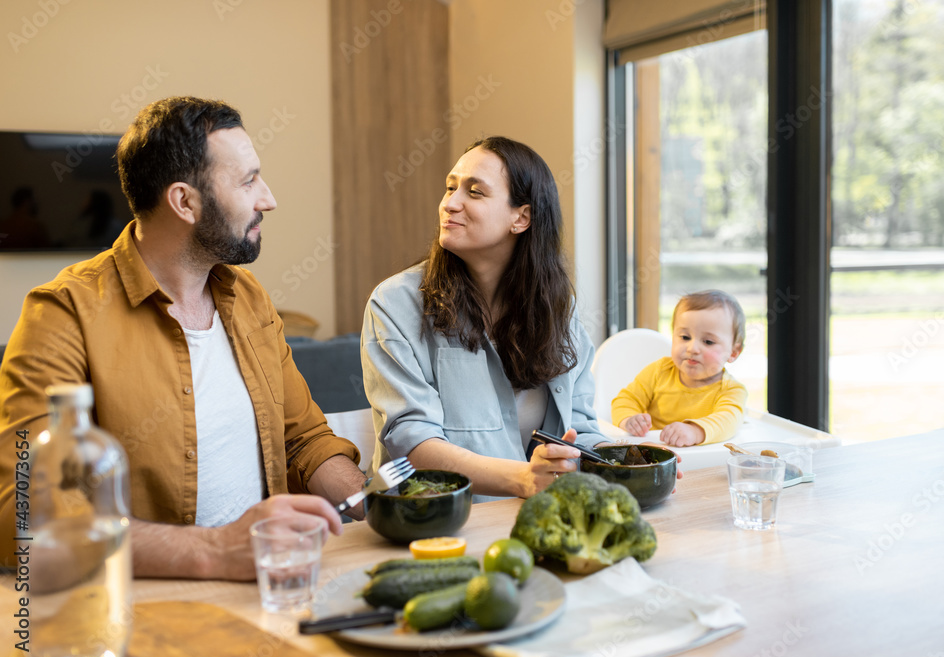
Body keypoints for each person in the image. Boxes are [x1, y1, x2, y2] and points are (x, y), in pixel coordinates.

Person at [0, 97, 367, 579]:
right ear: (184, 201)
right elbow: (23, 515)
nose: (268, 199)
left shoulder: (248, 296)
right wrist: (215, 550)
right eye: (248, 181)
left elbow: (303, 440)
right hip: (145, 609)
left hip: (271, 589)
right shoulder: (63, 314)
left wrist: (376, 503)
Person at [361, 136, 679, 501]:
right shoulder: (395, 304)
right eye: (450, 188)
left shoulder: (559, 310)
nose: (450, 203)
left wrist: (627, 464)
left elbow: (578, 428)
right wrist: (525, 478)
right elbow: (413, 444)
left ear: (521, 217)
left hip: (530, 518)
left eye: (474, 192)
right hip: (431, 522)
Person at [612, 290, 748, 447]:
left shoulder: (732, 390)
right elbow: (626, 399)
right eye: (685, 337)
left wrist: (694, 431)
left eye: (708, 342)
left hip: (702, 461)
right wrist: (629, 419)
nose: (692, 348)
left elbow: (729, 420)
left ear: (733, 352)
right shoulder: (659, 371)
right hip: (652, 455)